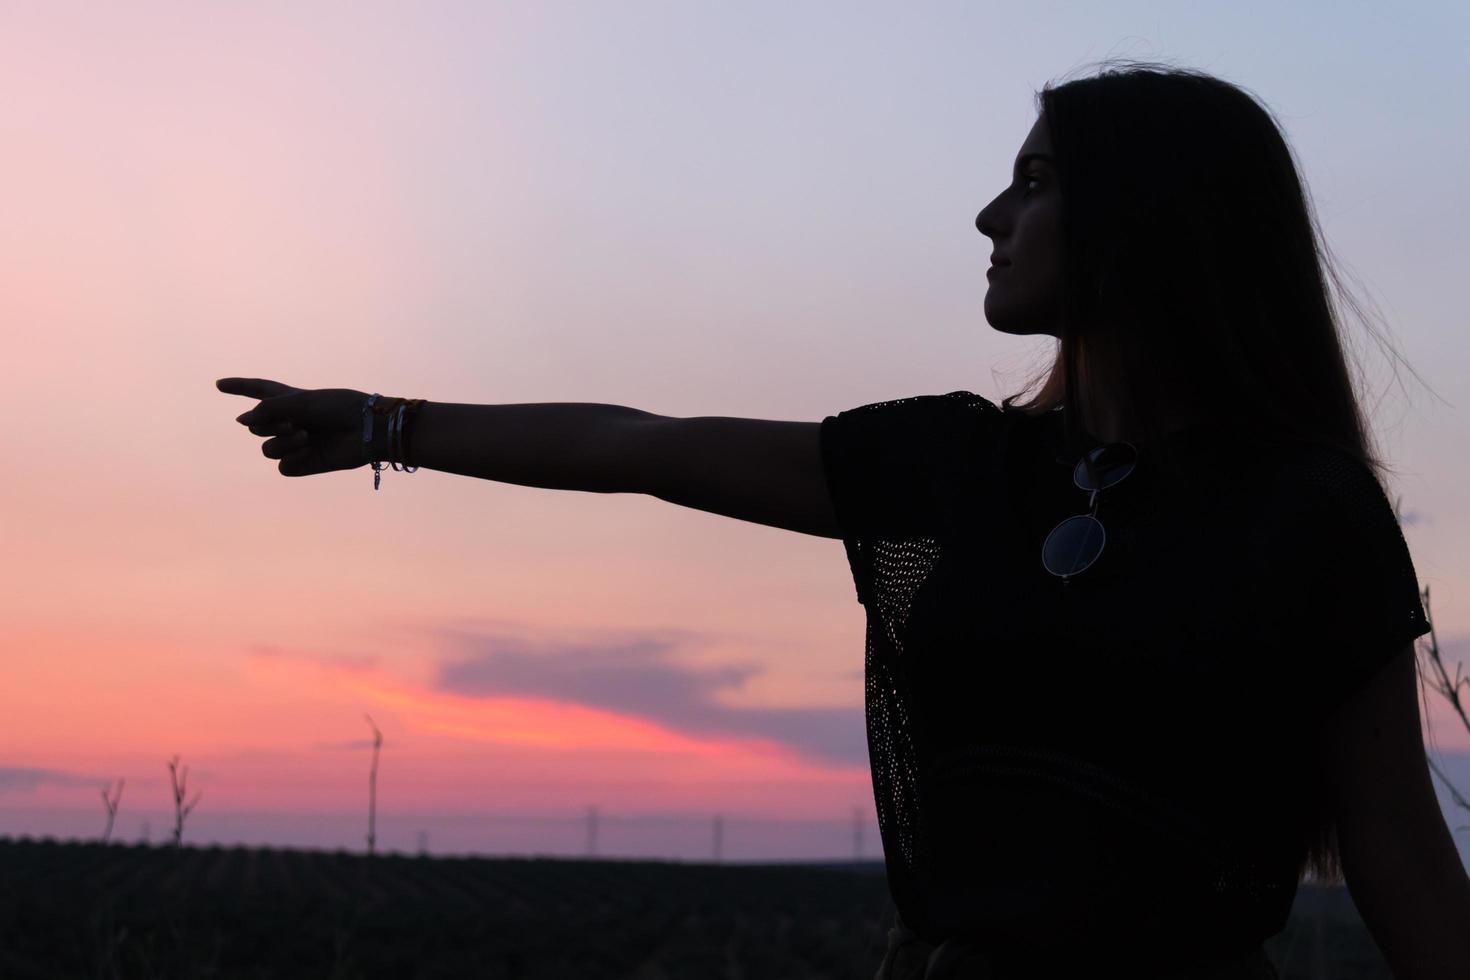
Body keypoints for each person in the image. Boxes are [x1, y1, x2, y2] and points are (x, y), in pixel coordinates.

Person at [218, 60, 1470, 979]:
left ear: (1149, 220)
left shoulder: (1306, 513)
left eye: (1033, 183)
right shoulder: (943, 466)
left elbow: (1402, 861)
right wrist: (388, 423)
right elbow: (639, 448)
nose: (990, 217)